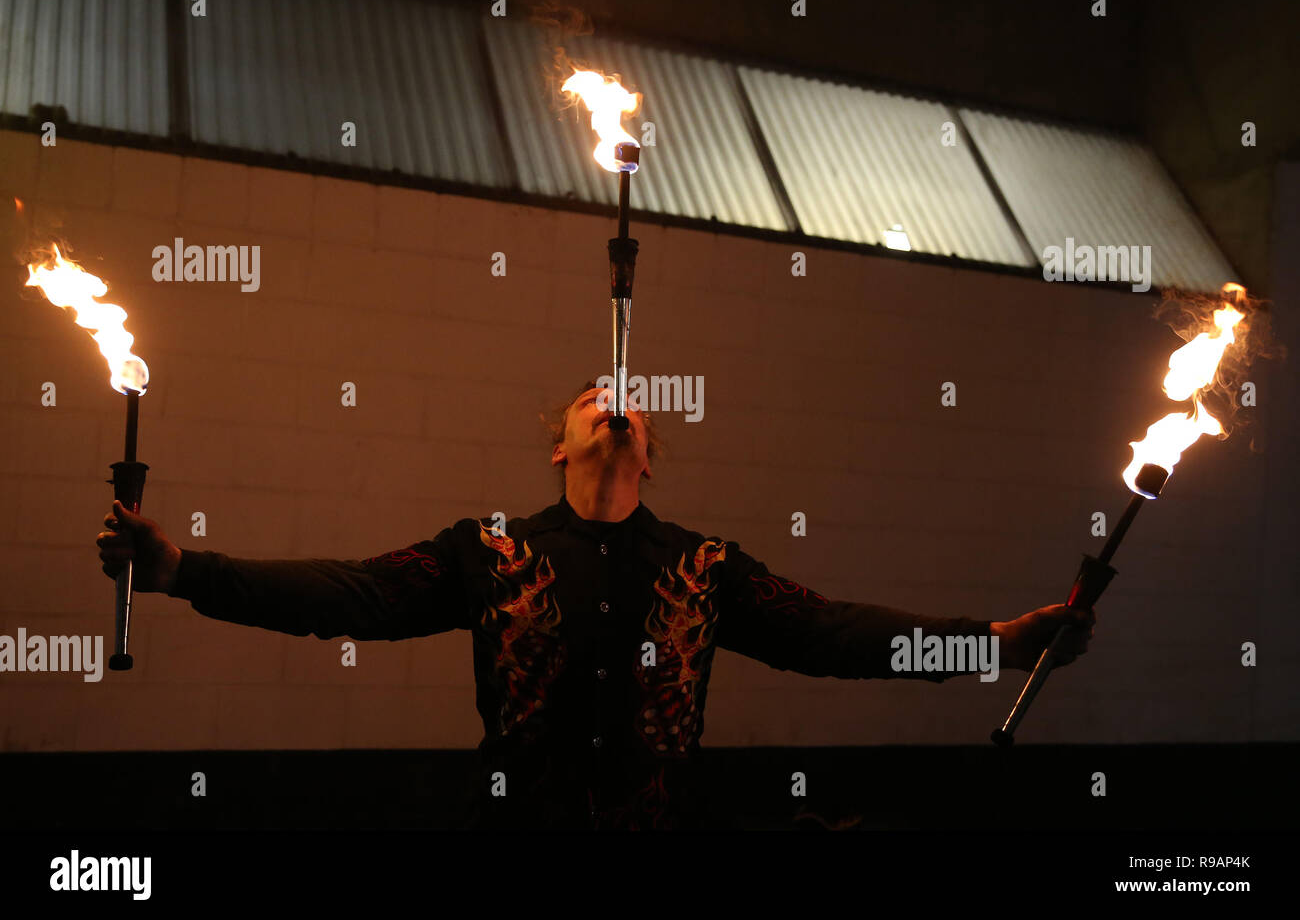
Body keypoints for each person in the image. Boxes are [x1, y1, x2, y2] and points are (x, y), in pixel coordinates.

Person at [96, 380, 1095, 830]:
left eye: (632, 404)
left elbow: (829, 633)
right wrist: (185, 568)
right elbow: (350, 594)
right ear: (560, 446)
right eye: (591, 399)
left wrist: (994, 646)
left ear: (647, 455)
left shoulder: (707, 566)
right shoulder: (487, 550)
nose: (613, 401)